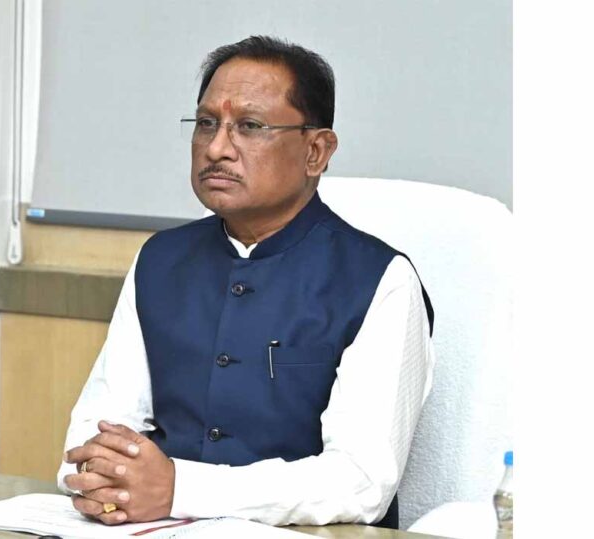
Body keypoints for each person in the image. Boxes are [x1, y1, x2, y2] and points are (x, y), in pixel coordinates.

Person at [58, 35, 435, 530]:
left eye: (250, 127)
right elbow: (100, 427)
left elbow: (361, 482)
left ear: (316, 151)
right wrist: (102, 478)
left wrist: (179, 490)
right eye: (206, 124)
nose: (217, 148)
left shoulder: (380, 280)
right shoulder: (160, 260)